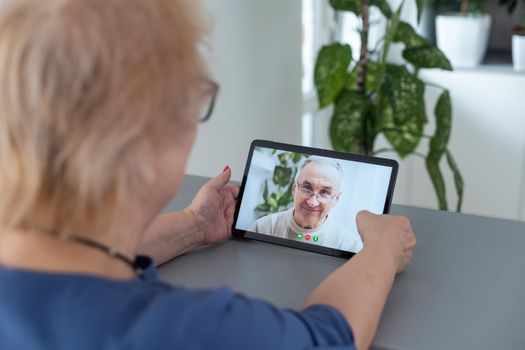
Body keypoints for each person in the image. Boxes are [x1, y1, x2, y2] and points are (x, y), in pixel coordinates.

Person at [0, 1, 416, 350]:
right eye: (193, 99)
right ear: (147, 143)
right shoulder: (184, 330)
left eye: (326, 191)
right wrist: (381, 249)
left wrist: (192, 226)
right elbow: (327, 339)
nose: (313, 198)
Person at [250, 157, 363, 252]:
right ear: (294, 189)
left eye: (324, 192)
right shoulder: (262, 228)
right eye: (307, 187)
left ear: (336, 199)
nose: (312, 203)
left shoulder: (349, 245)